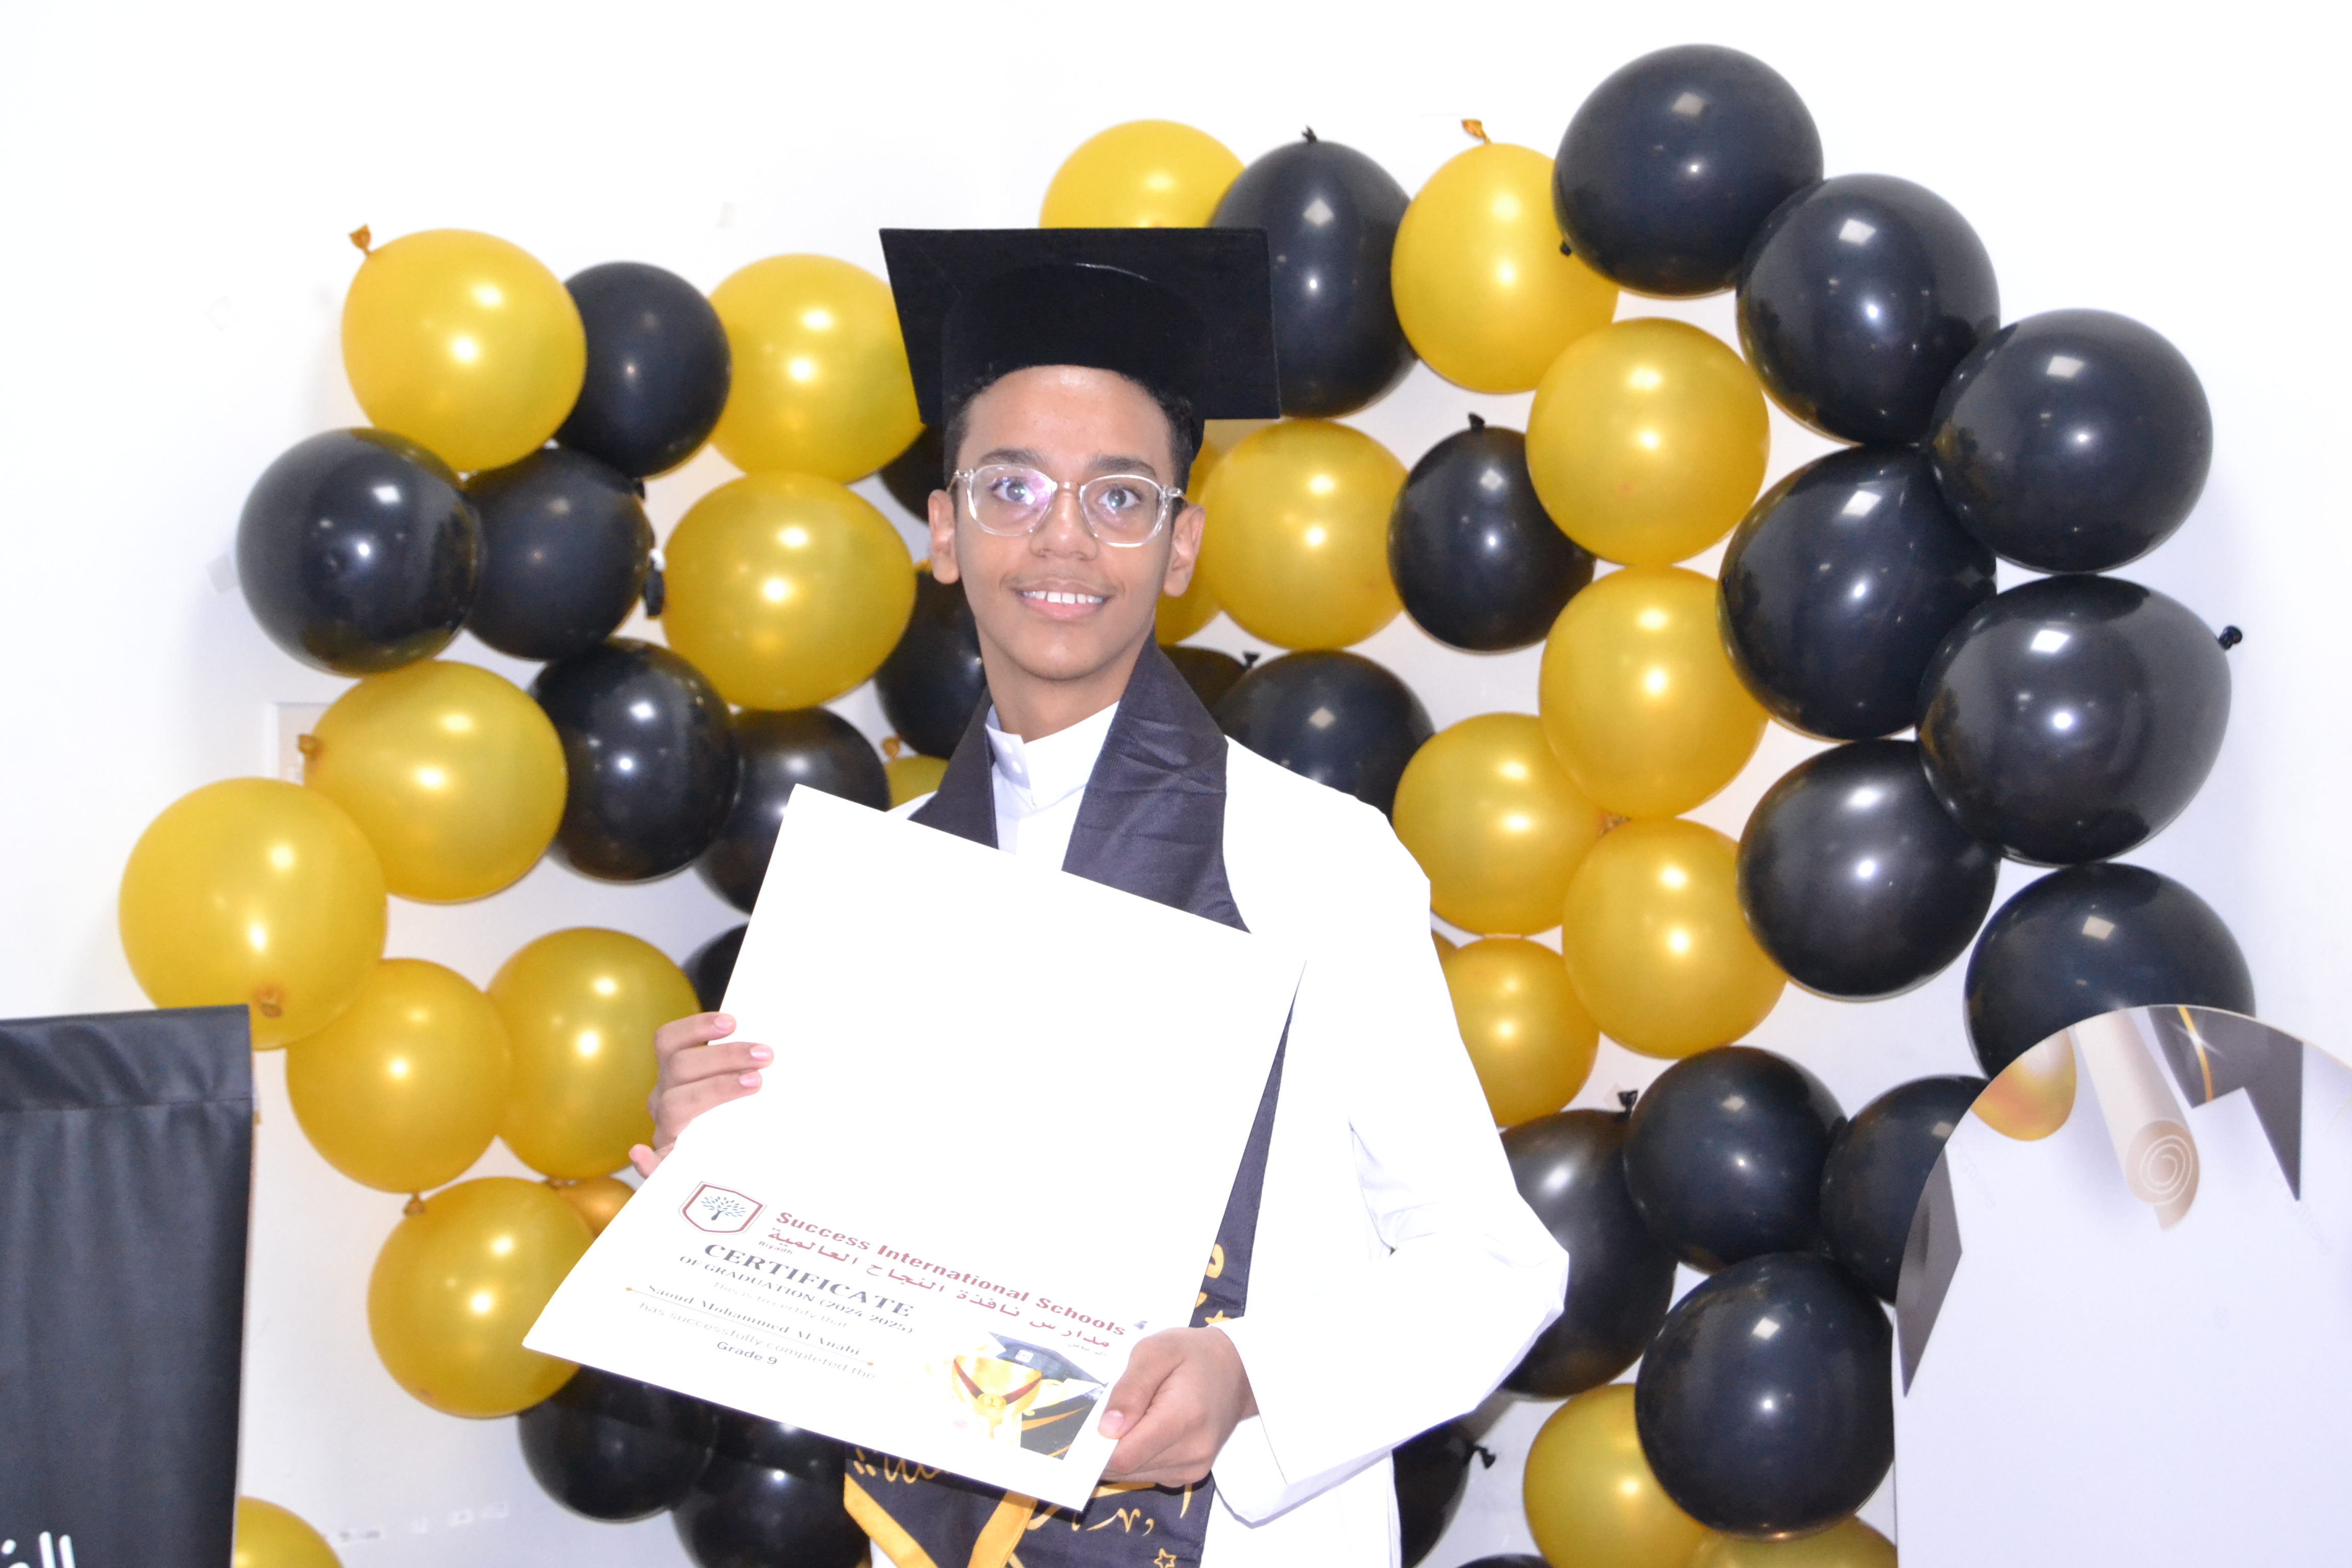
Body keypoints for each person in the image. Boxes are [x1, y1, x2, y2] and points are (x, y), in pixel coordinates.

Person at [630, 228, 1568, 1568]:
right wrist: (716, 1172)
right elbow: (837, 1290)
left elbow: (1494, 1265)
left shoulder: (1316, 863)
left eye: (1121, 496)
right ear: (944, 529)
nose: (1062, 536)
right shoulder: (874, 889)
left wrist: (1253, 1380)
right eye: (1012, 487)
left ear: (1181, 546)